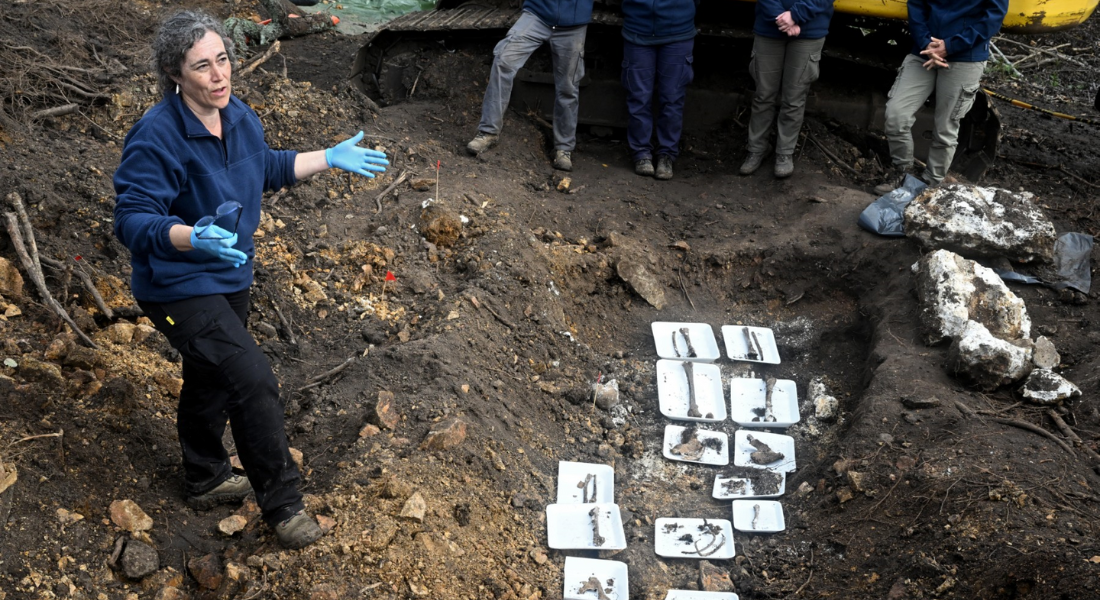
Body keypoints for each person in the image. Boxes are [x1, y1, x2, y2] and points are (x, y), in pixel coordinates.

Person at [113, 10, 388, 550]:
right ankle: (284, 505)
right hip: (176, 285)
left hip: (230, 274)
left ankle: (204, 475)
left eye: (222, 60)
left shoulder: (237, 115)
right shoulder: (157, 135)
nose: (219, 75)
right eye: (202, 67)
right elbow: (131, 218)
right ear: (176, 74)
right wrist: (191, 236)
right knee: (251, 376)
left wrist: (329, 157)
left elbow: (262, 168)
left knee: (210, 375)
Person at [875, 0, 1009, 193]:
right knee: (896, 114)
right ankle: (902, 173)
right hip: (924, 51)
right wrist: (926, 42)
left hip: (965, 57)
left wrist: (951, 46)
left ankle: (930, 185)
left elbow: (993, 17)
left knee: (946, 128)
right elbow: (917, 5)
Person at [465, 0, 594, 172]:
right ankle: (488, 132)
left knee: (568, 86)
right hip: (538, 14)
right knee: (504, 60)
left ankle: (564, 149)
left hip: (574, 24)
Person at [739, 0, 834, 179]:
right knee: (763, 94)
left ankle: (784, 152)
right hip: (769, 28)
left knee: (794, 97)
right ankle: (756, 149)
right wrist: (781, 17)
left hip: (808, 32)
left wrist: (796, 15)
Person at [620, 0, 697, 181]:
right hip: (637, 30)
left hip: (678, 32)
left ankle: (667, 155)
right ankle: (641, 154)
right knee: (638, 97)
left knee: (672, 98)